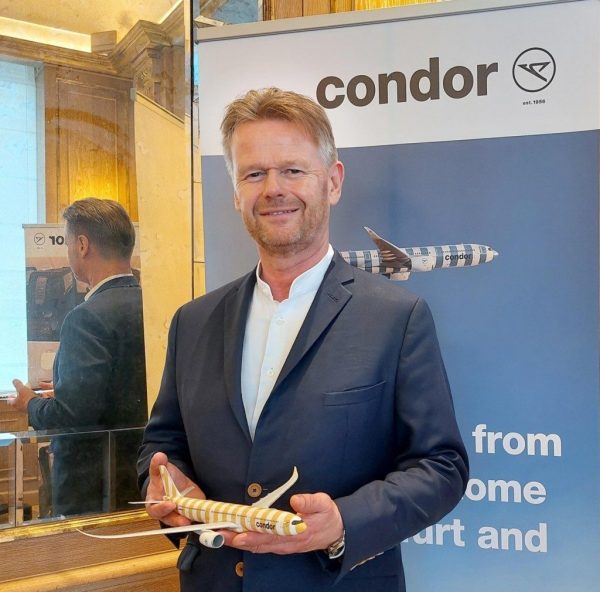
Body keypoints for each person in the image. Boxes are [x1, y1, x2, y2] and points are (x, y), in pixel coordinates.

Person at [138, 88, 468, 592]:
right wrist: (164, 480)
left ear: (332, 182)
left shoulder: (396, 318)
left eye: (293, 170)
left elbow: (441, 467)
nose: (273, 189)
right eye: (254, 174)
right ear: (236, 193)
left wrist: (343, 523)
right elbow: (162, 443)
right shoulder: (193, 322)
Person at [10, 198, 148, 516]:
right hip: (142, 475)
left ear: (82, 245)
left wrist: (30, 403)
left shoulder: (85, 317)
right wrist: (65, 389)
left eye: (69, 242)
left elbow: (73, 415)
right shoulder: (155, 306)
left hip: (91, 487)